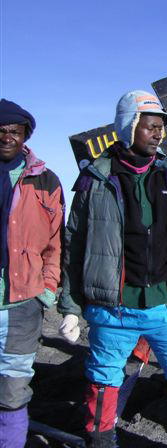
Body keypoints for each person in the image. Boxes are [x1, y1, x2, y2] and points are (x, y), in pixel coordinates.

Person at [57, 90, 167, 448]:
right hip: (113, 309)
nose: (158, 133)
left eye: (161, 127)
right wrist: (70, 308)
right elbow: (75, 245)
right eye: (149, 126)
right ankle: (101, 442)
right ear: (127, 127)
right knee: (103, 379)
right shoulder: (94, 180)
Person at [0, 99, 65, 448]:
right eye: (1, 130)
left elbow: (56, 242)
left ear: (25, 135)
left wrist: (48, 288)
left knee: (13, 388)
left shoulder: (45, 180)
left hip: (23, 302)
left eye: (14, 131)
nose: (7, 137)